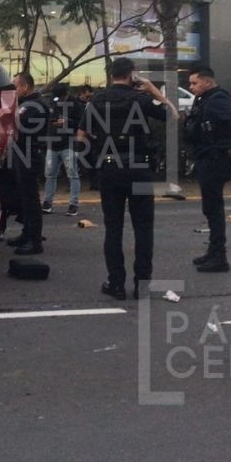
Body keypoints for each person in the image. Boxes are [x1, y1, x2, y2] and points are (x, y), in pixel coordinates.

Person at [78, 58, 171, 300]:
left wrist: (96, 154)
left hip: (109, 169)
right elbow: (174, 116)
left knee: (113, 227)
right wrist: (153, 90)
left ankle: (116, 283)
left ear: (110, 75)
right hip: (139, 168)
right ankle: (142, 285)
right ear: (132, 75)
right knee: (143, 228)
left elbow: (81, 136)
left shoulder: (96, 101)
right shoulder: (141, 99)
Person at [184, 66, 231, 273]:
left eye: (194, 83)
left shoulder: (217, 99)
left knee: (214, 209)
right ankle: (213, 252)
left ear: (207, 82)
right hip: (207, 159)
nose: (191, 87)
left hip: (215, 160)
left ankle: (219, 257)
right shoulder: (205, 99)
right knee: (210, 209)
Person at [8, 72, 49, 255]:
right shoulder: (26, 104)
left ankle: (34, 241)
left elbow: (16, 123)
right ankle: (27, 234)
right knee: (24, 197)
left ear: (25, 87)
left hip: (30, 154)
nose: (13, 90)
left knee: (31, 199)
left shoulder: (34, 105)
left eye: (15, 86)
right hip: (22, 153)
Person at [41, 83, 82, 217]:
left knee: (72, 174)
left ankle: (73, 204)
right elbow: (48, 119)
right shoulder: (52, 102)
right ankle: (47, 202)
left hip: (68, 143)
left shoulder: (75, 104)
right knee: (50, 175)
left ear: (66, 94)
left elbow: (81, 122)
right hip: (53, 143)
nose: (57, 99)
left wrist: (67, 122)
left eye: (60, 97)